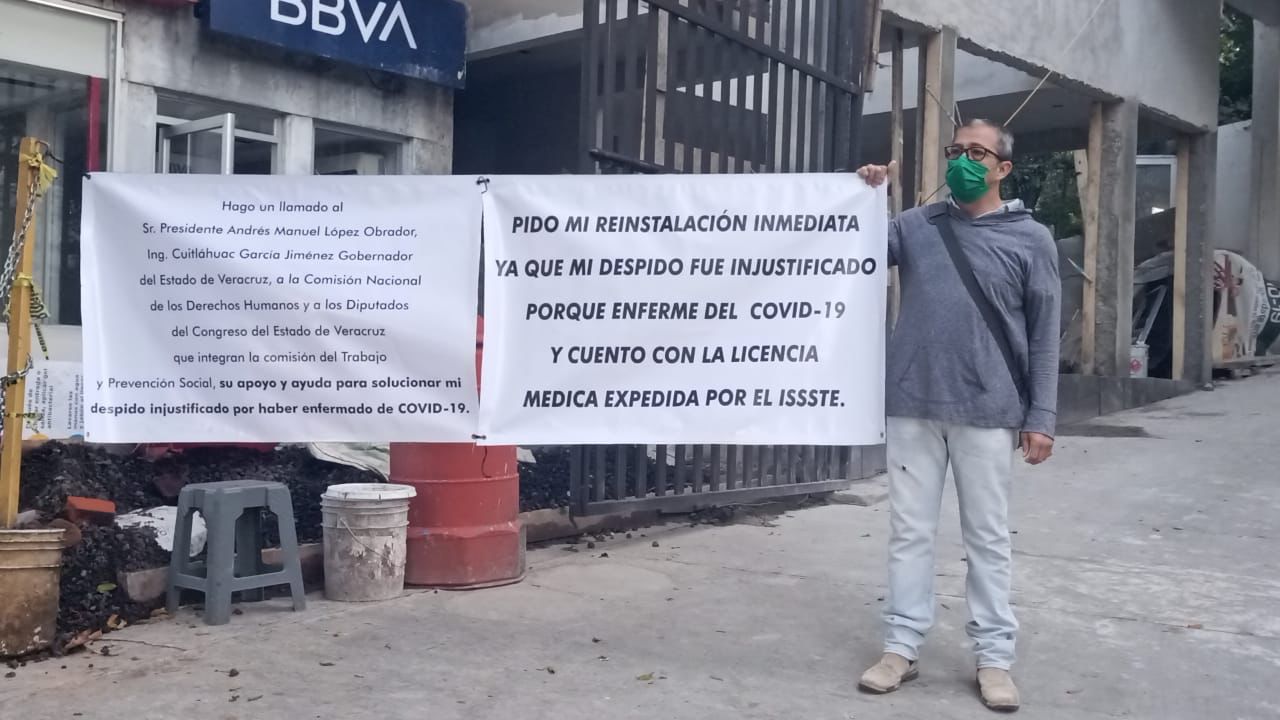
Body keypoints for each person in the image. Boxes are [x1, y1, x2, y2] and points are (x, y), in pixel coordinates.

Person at [855, 119, 1060, 712]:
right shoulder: (915, 226)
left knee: (987, 537)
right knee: (909, 532)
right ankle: (900, 647)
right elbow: (852, 252)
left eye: (977, 152)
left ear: (1002, 168)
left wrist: (1041, 415)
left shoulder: (1032, 239)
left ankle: (994, 657)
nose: (963, 161)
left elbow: (1045, 333)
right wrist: (869, 194)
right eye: (956, 151)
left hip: (988, 410)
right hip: (913, 403)